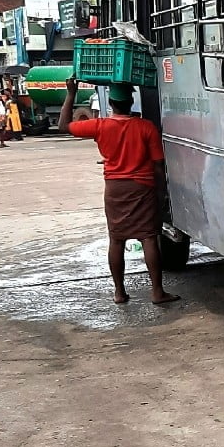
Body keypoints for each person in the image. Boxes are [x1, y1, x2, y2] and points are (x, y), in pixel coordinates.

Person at [57, 78, 180, 305]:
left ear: (111, 103)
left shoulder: (100, 126)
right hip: (142, 188)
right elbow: (157, 165)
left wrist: (71, 94)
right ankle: (157, 292)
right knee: (149, 238)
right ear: (131, 101)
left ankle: (119, 292)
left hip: (114, 188)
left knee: (116, 239)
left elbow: (63, 126)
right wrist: (162, 192)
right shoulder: (146, 127)